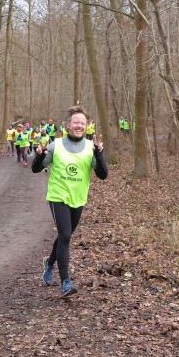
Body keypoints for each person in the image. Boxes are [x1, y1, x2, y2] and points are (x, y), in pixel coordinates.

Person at [32, 106, 107, 296]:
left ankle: (49, 263)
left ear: (87, 126)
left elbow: (103, 175)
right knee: (65, 235)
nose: (79, 126)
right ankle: (65, 282)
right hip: (58, 196)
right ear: (68, 125)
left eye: (82, 123)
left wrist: (99, 155)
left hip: (78, 198)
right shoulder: (55, 145)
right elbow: (36, 168)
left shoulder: (91, 147)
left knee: (64, 236)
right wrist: (39, 155)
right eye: (75, 122)